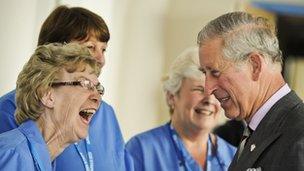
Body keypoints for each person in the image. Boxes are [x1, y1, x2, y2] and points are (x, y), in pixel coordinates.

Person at [0, 5, 131, 171]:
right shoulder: (9, 125)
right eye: (90, 47)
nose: (100, 59)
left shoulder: (107, 114)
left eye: (103, 49)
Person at [197, 11, 304, 171]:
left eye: (215, 73)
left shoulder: (298, 137)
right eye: (205, 73)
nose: (208, 89)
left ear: (255, 66)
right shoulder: (254, 132)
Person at [126, 47, 236, 171]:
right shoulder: (141, 151)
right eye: (199, 90)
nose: (209, 100)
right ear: (171, 97)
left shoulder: (234, 157)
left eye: (215, 91)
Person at [0, 43, 102, 170]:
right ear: (47, 96)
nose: (97, 97)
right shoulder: (13, 155)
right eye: (85, 83)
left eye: (98, 88)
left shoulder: (42, 162)